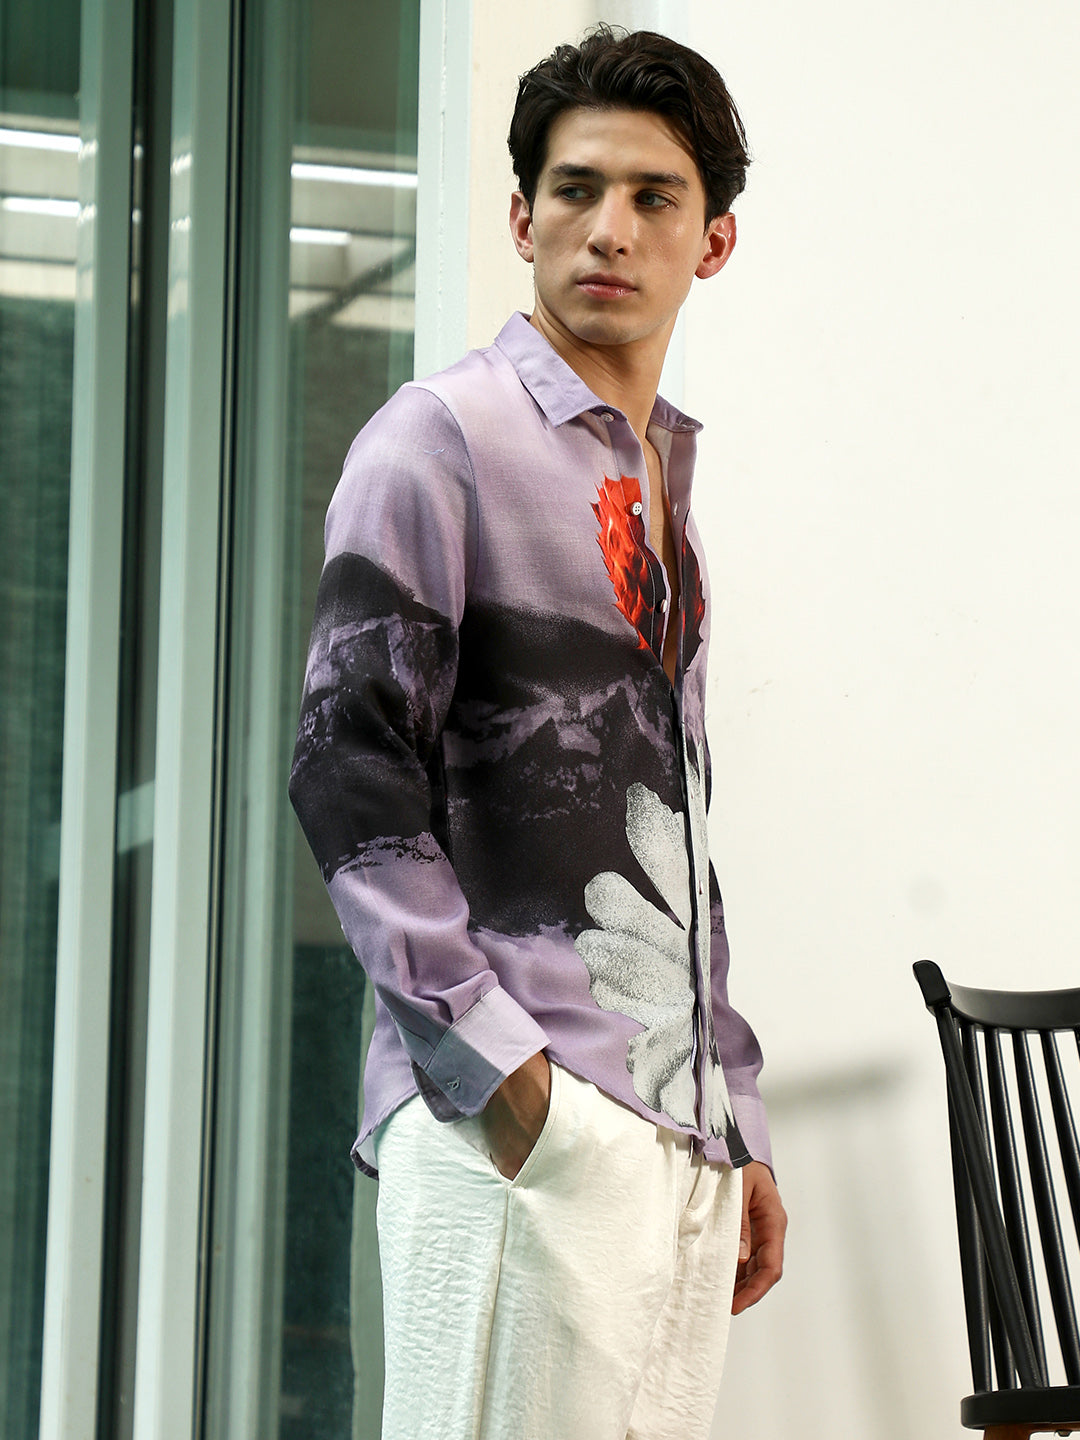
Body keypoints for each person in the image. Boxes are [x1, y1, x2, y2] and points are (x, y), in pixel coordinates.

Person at [290, 24, 786, 1440]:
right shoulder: (438, 438)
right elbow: (348, 767)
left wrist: (733, 1114)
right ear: (522, 218)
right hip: (523, 1120)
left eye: (652, 196)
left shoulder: (661, 495)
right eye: (575, 190)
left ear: (714, 241)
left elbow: (670, 825)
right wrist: (502, 1076)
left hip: (672, 1135)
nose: (608, 228)